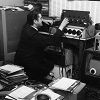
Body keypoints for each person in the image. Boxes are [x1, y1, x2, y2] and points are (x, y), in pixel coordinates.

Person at [14, 10, 69, 83]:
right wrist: (61, 27)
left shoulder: (26, 27)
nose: (42, 20)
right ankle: (45, 80)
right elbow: (52, 41)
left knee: (46, 55)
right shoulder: (33, 35)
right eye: (41, 18)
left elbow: (38, 24)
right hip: (28, 64)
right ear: (35, 21)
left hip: (21, 60)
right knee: (50, 63)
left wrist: (48, 22)